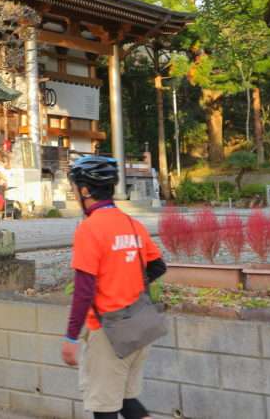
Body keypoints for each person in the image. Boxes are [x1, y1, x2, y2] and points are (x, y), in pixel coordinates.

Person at [60, 156, 167, 419]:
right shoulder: (132, 224)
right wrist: (126, 283)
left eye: (75, 187)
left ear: (85, 190)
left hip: (108, 332)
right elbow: (157, 266)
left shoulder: (90, 229)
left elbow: (84, 291)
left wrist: (71, 338)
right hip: (139, 325)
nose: (74, 192)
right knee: (128, 403)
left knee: (104, 409)